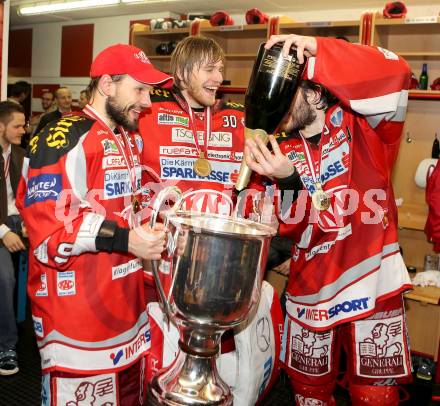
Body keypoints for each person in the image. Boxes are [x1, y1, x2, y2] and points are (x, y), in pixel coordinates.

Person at [244, 34, 412, 405]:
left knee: (375, 396)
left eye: (288, 94)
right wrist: (286, 179)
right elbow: (292, 224)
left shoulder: (367, 126)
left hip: (373, 282)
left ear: (317, 93)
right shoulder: (278, 150)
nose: (276, 106)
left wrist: (317, 49)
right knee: (308, 395)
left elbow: (397, 71)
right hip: (309, 289)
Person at [16, 43, 173, 405]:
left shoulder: (127, 136)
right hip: (77, 320)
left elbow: (123, 205)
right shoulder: (62, 137)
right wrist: (126, 240)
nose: (147, 102)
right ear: (106, 85)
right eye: (139, 89)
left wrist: (163, 201)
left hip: (125, 313)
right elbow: (49, 231)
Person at [138, 35, 283, 405]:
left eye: (222, 68)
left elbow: (259, 183)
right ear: (184, 72)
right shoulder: (146, 111)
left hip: (220, 271)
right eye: (210, 68)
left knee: (220, 375)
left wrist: (268, 210)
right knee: (155, 374)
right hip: (160, 269)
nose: (220, 76)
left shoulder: (238, 118)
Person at [0, 101, 26, 376]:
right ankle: (6, 346)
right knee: (5, 278)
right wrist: (4, 231)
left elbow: (30, 196)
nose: (23, 129)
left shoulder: (21, 154)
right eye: (17, 125)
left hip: (19, 220)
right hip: (1, 227)